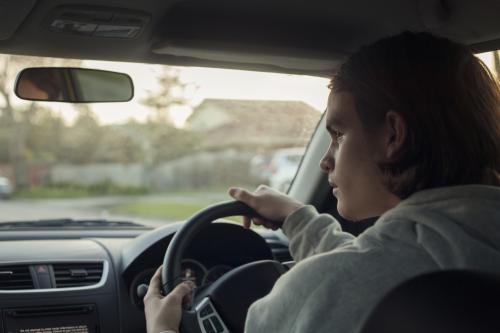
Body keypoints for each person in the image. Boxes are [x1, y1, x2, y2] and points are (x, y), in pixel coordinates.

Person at [143, 31, 500, 333]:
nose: (325, 160)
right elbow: (383, 263)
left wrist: (161, 330)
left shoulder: (322, 288)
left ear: (393, 135)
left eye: (339, 135)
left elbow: (357, 274)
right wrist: (298, 218)